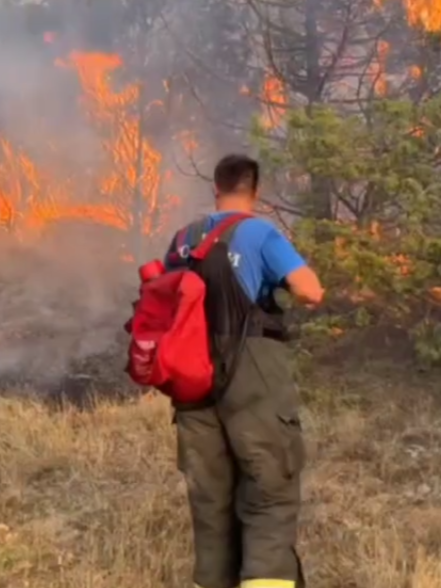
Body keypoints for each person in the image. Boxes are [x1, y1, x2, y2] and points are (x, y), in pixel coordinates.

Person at [163, 154, 324, 588]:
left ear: (215, 189)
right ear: (255, 191)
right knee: (269, 493)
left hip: (192, 383)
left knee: (211, 505)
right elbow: (311, 291)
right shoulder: (258, 231)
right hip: (250, 378)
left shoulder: (182, 239)